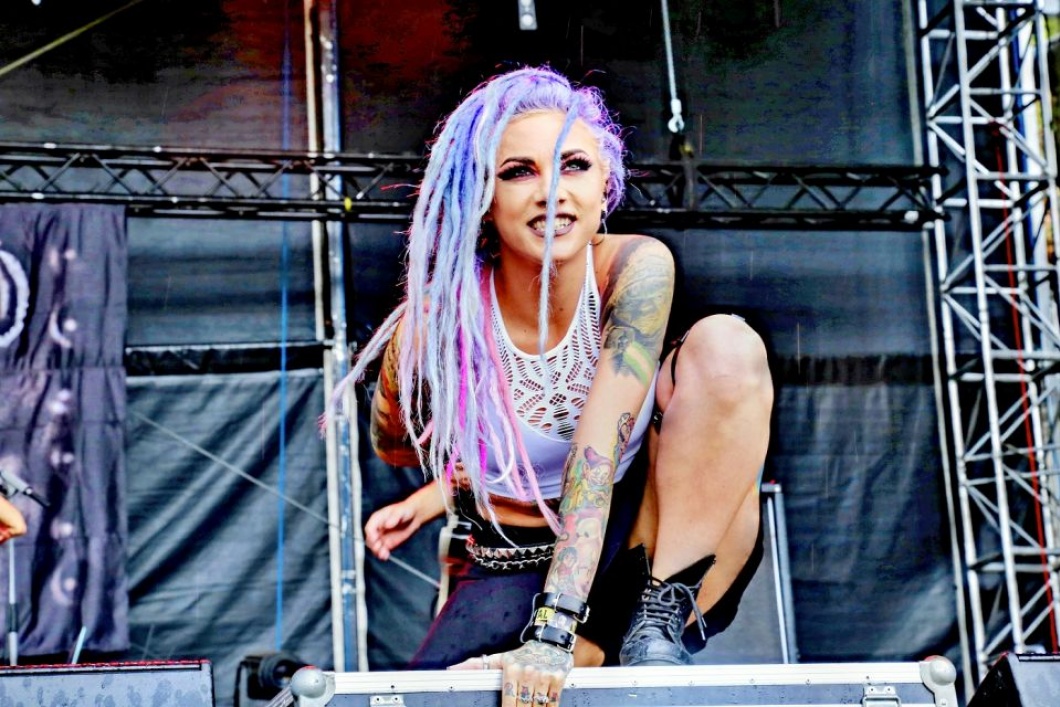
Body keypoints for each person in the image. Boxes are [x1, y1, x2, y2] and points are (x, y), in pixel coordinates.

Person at [334, 66, 773, 707]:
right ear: (482, 197)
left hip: (646, 549)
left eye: (574, 166)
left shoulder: (635, 267)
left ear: (605, 183)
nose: (552, 193)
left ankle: (642, 627)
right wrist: (442, 485)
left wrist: (553, 635)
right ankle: (597, 647)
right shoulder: (439, 323)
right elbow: (397, 446)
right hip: (511, 559)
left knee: (727, 345)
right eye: (519, 172)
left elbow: (594, 457)